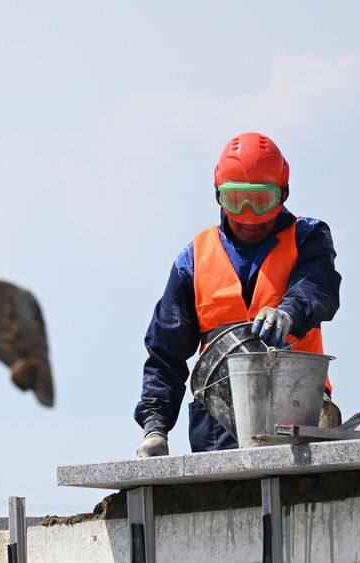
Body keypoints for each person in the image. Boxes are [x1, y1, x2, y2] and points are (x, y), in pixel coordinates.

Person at [135, 133, 340, 457]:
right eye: (236, 200)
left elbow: (317, 287)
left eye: (259, 201)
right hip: (217, 427)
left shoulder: (307, 237)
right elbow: (165, 353)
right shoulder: (194, 260)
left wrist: (287, 313)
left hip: (298, 411)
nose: (248, 216)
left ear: (283, 192)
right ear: (218, 195)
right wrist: (155, 427)